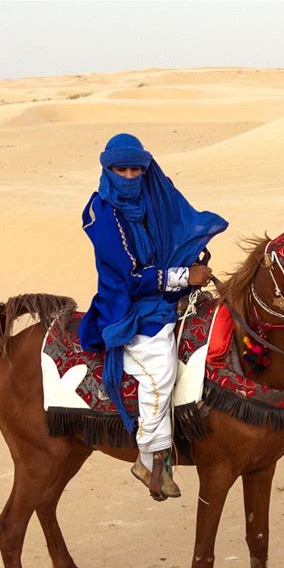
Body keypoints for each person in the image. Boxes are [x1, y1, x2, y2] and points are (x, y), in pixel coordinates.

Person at [79, 133, 228, 499]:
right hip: (128, 302)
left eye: (135, 169)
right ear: (107, 169)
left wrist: (190, 262)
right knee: (160, 366)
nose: (129, 177)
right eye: (121, 169)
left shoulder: (154, 199)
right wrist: (182, 276)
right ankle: (149, 458)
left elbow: (176, 234)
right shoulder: (101, 213)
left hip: (169, 294)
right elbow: (129, 274)